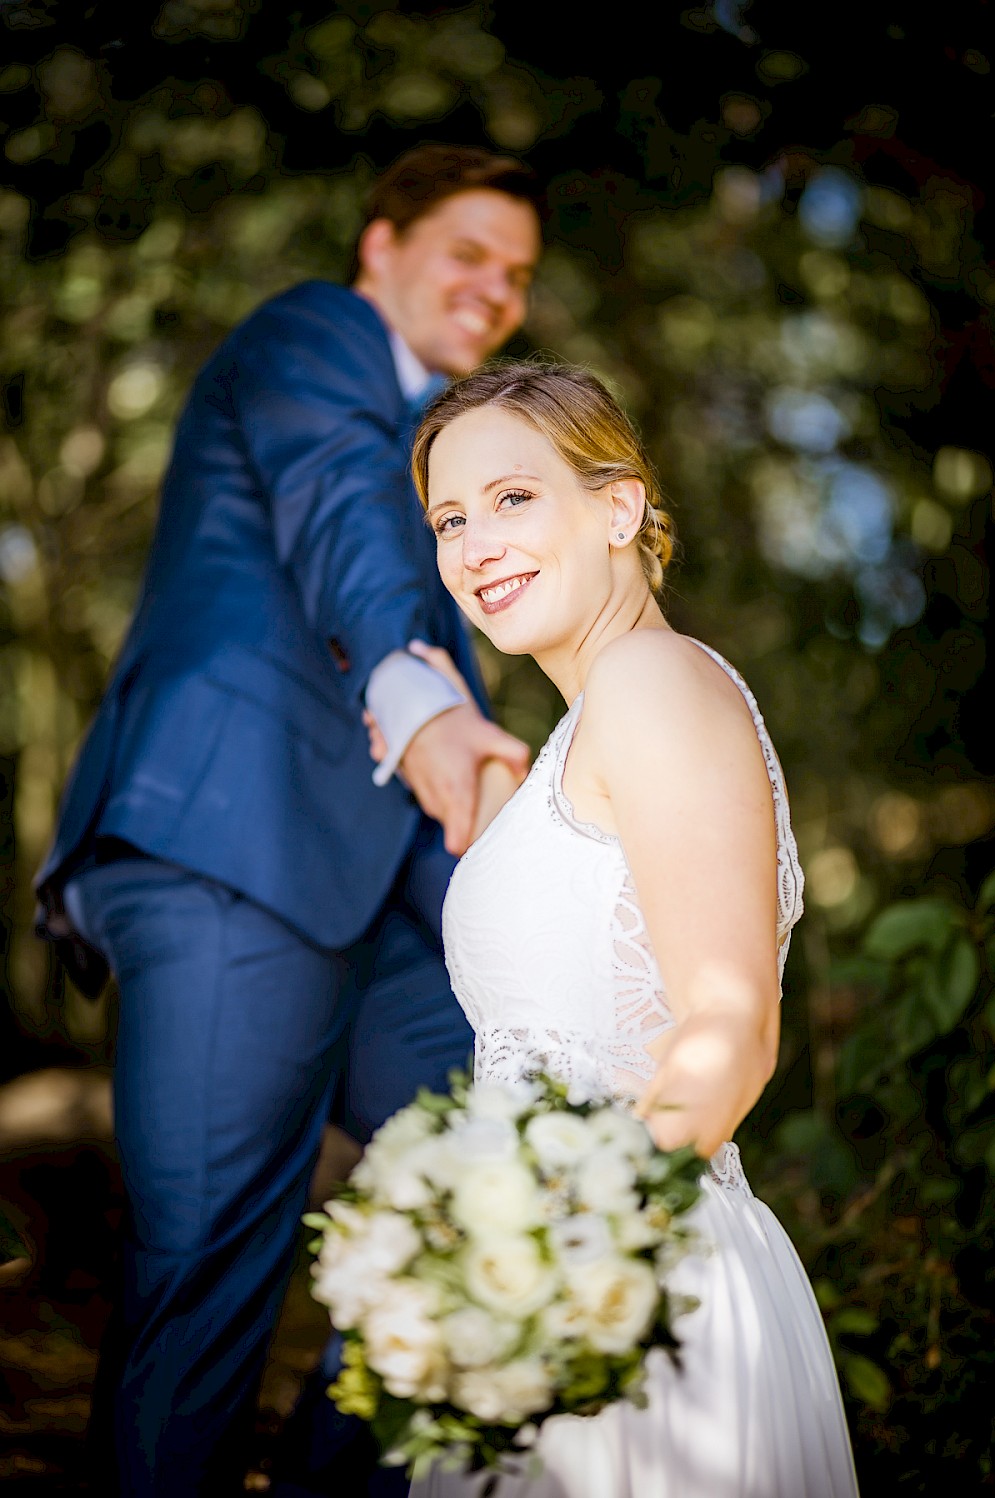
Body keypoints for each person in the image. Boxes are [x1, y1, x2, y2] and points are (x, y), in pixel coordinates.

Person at [33, 145, 541, 1497]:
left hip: (385, 897)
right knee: (210, 1267)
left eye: (519, 274)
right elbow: (338, 504)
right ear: (382, 244)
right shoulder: (319, 337)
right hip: (230, 853)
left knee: (504, 1186)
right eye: (468, 252)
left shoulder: (451, 452)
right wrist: (412, 694)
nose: (497, 288)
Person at [388, 362, 860, 1496]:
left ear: (618, 506)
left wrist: (556, 1264)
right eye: (449, 519)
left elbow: (730, 1030)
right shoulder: (592, 724)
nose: (473, 544)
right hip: (575, 1274)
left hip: (633, 1283)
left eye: (512, 498)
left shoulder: (651, 677)